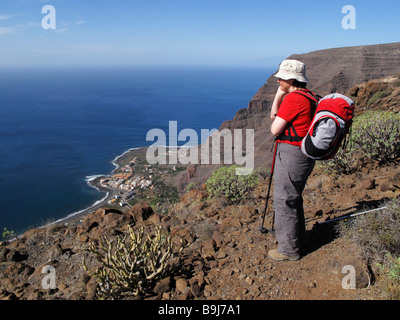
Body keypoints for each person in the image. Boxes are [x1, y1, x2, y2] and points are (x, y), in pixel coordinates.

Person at [268, 59, 316, 261]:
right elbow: (274, 115)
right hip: (302, 155)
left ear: (291, 79)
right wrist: (280, 93)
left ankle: (288, 250)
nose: (278, 80)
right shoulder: (309, 96)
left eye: (281, 78)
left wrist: (282, 96)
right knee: (293, 197)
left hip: (292, 156)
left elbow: (274, 128)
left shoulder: (295, 99)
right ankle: (297, 239)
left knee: (284, 200)